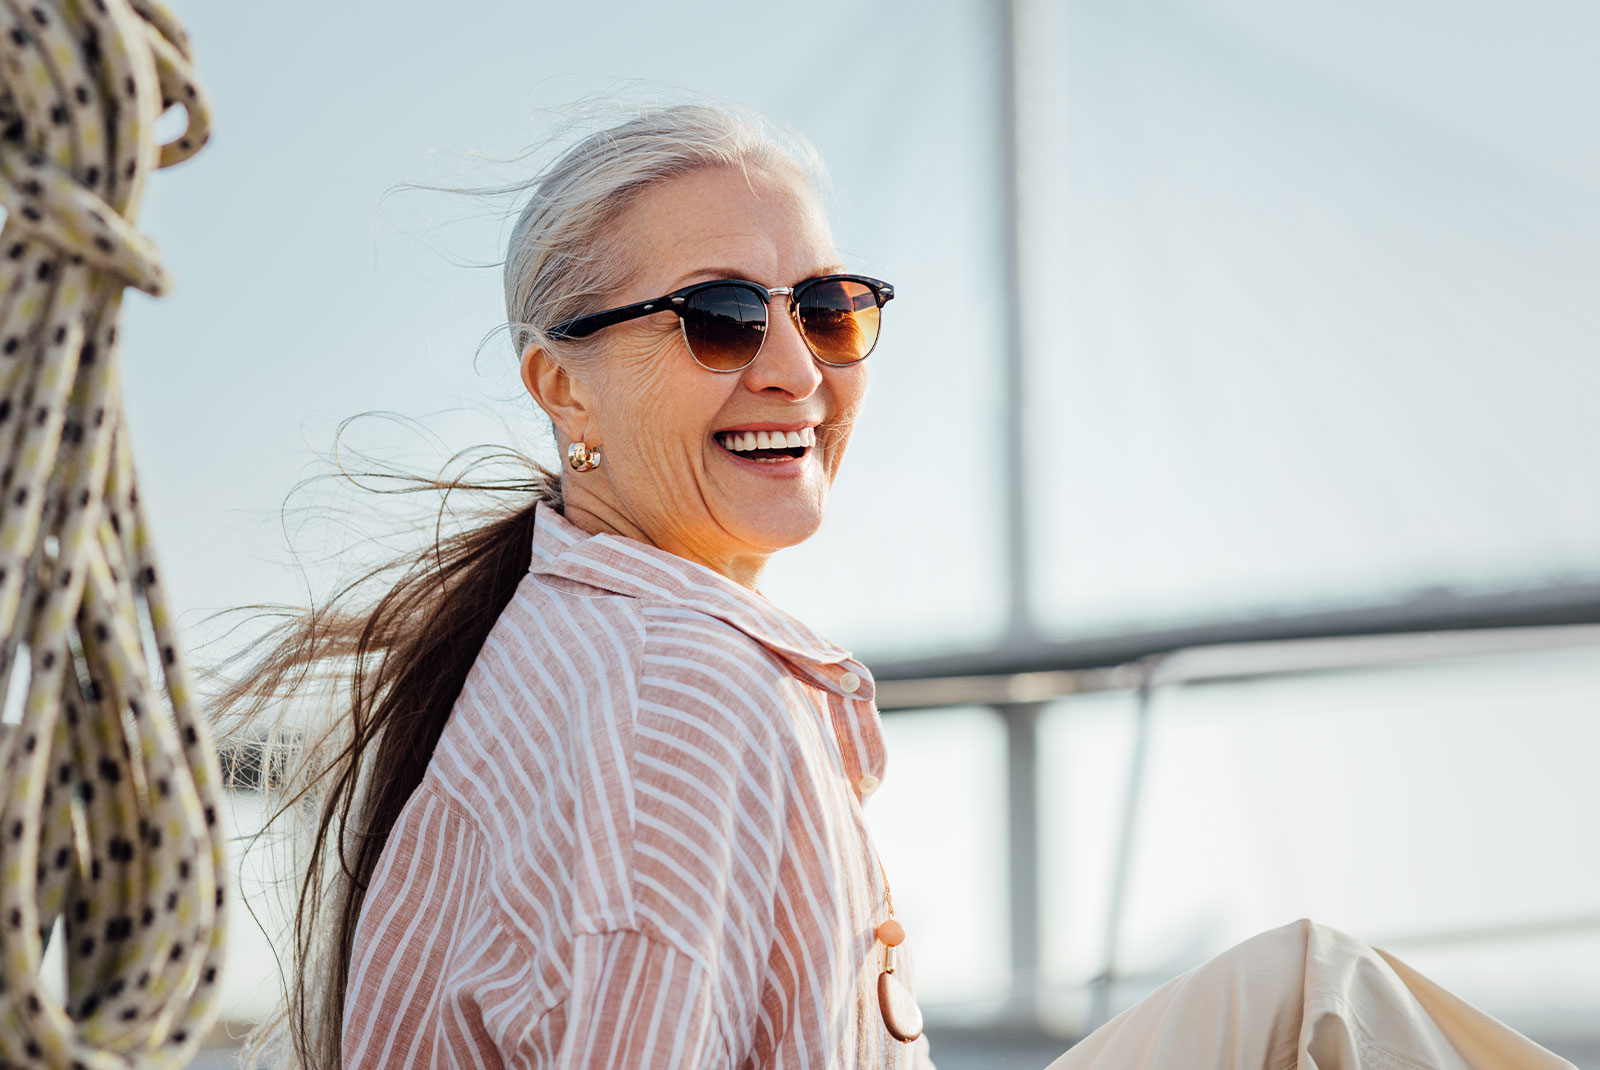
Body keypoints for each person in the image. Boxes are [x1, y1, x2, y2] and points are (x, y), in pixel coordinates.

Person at [230, 104, 1575, 1070]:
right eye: (719, 316)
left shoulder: (574, 634)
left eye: (827, 308)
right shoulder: (680, 696)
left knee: (1303, 989)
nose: (796, 370)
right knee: (1329, 1011)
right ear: (559, 383)